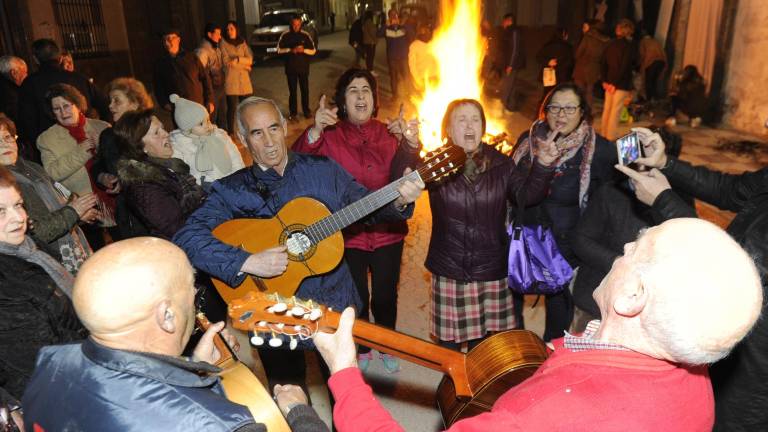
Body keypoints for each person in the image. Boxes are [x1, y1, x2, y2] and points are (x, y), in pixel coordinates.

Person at [314, 218, 763, 431]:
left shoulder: (541, 417)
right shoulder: (696, 384)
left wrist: (345, 373)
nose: (626, 244)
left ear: (632, 297)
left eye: (640, 246)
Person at [173, 96, 424, 390]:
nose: (269, 141)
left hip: (331, 302)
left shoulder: (322, 170)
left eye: (273, 128)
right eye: (257, 133)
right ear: (242, 138)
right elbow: (186, 238)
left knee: (346, 390)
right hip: (270, 315)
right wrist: (246, 261)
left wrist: (399, 200)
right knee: (289, 395)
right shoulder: (231, 190)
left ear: (284, 126)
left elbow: (364, 205)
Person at [21, 237, 328, 431]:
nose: (195, 297)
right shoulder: (215, 425)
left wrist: (193, 368)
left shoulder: (50, 363)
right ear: (167, 316)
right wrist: (299, 413)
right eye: (191, 290)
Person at [613, 126, 768, 432]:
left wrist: (663, 200)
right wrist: (666, 162)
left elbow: (728, 269)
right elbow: (730, 189)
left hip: (753, 364)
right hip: (726, 330)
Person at [293, 68, 421, 372]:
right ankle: (362, 346)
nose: (361, 96)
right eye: (353, 90)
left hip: (388, 231)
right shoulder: (331, 136)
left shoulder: (388, 133)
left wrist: (409, 143)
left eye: (366, 90)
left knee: (386, 297)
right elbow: (298, 163)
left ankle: (386, 343)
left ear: (374, 100)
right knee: (357, 297)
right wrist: (314, 131)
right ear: (342, 100)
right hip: (347, 235)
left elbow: (407, 174)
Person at [425, 99, 557, 350]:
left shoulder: (501, 164)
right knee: (448, 348)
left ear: (483, 128)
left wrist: (543, 166)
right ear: (448, 129)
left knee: (482, 346)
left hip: (489, 267)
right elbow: (404, 182)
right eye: (461, 119)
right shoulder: (436, 163)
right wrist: (408, 147)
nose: (469, 126)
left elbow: (527, 196)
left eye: (475, 119)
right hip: (450, 266)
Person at [513, 83, 618, 341]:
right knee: (513, 294)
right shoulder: (528, 140)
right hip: (526, 235)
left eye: (570, 108)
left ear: (582, 112)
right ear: (545, 110)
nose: (561, 114)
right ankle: (516, 348)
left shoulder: (597, 149)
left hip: (564, 245)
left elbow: (618, 181)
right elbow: (510, 182)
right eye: (555, 107)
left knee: (558, 308)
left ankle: (551, 353)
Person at [0, 166, 87, 399]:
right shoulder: (5, 283)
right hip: (61, 391)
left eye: (18, 205)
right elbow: (42, 360)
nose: (19, 218)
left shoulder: (29, 247)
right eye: (1, 212)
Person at [570, 179, 696, 328]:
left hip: (647, 315)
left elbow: (687, 252)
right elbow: (580, 240)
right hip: (594, 304)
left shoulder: (678, 201)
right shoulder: (611, 193)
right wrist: (618, 262)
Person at [1, 114, 93, 273]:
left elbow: (63, 194)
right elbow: (34, 234)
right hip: (49, 261)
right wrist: (73, 212)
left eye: (7, 137)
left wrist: (81, 210)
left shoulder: (34, 168)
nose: (4, 144)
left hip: (75, 246)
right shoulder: (4, 187)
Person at [37, 83, 114, 251]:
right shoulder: (46, 139)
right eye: (56, 109)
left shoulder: (102, 127)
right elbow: (52, 173)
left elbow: (116, 163)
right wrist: (83, 150)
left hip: (113, 199)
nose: (63, 112)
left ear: (77, 105)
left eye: (66, 105)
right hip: (84, 207)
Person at [113, 109, 206, 241]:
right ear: (141, 147)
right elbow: (177, 229)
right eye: (157, 133)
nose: (166, 133)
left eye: (163, 128)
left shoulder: (170, 165)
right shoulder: (144, 187)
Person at [17, 39, 107, 150]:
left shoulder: (29, 84)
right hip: (84, 140)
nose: (63, 113)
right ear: (60, 58)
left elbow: (26, 120)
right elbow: (104, 105)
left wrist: (36, 144)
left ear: (35, 59)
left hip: (52, 145)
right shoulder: (79, 79)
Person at [169, 94, 245, 189]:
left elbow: (234, 155)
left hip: (230, 180)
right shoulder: (180, 145)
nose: (207, 125)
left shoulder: (220, 136)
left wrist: (241, 175)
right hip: (204, 187)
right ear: (188, 128)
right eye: (201, 124)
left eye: (208, 120)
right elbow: (178, 170)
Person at [153, 29, 215, 116]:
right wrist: (165, 104)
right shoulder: (161, 64)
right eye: (165, 39)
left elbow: (205, 79)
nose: (167, 42)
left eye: (170, 38)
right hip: (179, 112)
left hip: (199, 107)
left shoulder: (191, 57)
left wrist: (210, 100)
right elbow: (158, 88)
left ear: (178, 40)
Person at [600, 19, 636, 140]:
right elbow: (624, 67)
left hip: (608, 82)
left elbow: (603, 63)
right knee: (615, 112)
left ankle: (603, 135)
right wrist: (614, 84)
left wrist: (605, 81)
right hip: (621, 84)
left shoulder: (610, 44)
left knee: (607, 110)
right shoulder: (628, 47)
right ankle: (610, 137)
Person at [277, 17, 317, 120]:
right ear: (291, 24)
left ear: (301, 25)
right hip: (290, 68)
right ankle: (293, 113)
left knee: (305, 90)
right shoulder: (285, 35)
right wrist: (290, 50)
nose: (296, 27)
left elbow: (313, 50)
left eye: (298, 25)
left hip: (303, 68)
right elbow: (278, 50)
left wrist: (304, 50)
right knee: (292, 92)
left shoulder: (305, 35)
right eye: (294, 25)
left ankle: (306, 111)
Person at [220, 21, 254, 132]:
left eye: (231, 29)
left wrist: (238, 59)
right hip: (231, 81)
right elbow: (226, 62)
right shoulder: (223, 43)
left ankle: (247, 130)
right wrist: (245, 66)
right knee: (232, 109)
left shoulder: (242, 42)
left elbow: (250, 59)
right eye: (227, 29)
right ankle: (231, 132)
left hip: (244, 81)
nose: (229, 31)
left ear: (236, 30)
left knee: (246, 107)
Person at [197, 23, 228, 130]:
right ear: (209, 34)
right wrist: (207, 94)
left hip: (220, 87)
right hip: (212, 91)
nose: (220, 37)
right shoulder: (202, 51)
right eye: (217, 34)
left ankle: (224, 137)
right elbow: (200, 75)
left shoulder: (216, 48)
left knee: (222, 117)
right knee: (212, 119)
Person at [572, 19, 609, 109]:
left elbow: (578, 53)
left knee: (579, 91)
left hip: (582, 67)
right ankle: (588, 111)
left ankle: (579, 110)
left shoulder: (588, 37)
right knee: (590, 91)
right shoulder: (605, 40)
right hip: (594, 69)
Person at [536, 27, 574, 102]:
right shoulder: (567, 47)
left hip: (549, 75)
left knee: (547, 94)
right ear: (564, 35)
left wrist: (548, 62)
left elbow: (538, 57)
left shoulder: (548, 45)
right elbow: (570, 62)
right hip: (562, 76)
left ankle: (543, 108)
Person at [499, 13, 526, 112]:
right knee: (511, 85)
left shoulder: (514, 31)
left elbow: (515, 49)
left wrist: (510, 65)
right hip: (508, 64)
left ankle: (502, 106)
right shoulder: (508, 31)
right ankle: (510, 106)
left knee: (507, 86)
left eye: (504, 21)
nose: (502, 23)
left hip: (511, 65)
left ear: (509, 21)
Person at [385, 9, 411, 99]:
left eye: (395, 14)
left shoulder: (402, 27)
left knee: (406, 76)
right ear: (389, 17)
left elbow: (412, 33)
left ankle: (408, 94)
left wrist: (404, 24)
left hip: (403, 57)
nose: (394, 16)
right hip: (392, 57)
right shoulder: (387, 28)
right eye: (391, 15)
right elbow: (378, 33)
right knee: (393, 77)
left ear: (397, 15)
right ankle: (395, 95)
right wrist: (386, 25)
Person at [638, 33, 666, 101]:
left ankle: (649, 99)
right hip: (661, 62)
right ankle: (655, 99)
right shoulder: (656, 41)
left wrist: (639, 65)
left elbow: (642, 54)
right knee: (655, 81)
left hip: (651, 62)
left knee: (648, 81)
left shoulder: (643, 42)